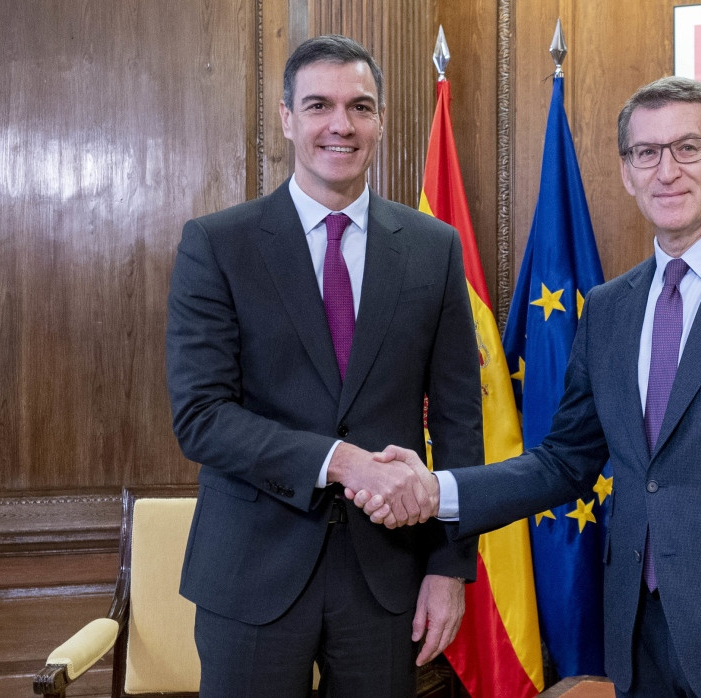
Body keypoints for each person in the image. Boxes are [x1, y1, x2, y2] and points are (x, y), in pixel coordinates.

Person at [357, 76, 701, 698]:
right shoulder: (608, 308)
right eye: (646, 153)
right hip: (633, 631)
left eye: (689, 148)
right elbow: (565, 460)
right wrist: (437, 490)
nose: (667, 171)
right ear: (626, 173)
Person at [165, 34, 482, 698]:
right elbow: (201, 419)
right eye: (318, 105)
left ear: (381, 120)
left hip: (387, 579)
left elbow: (459, 422)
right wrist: (343, 461)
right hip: (251, 572)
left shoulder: (434, 248)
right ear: (286, 118)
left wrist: (449, 569)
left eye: (360, 107)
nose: (341, 124)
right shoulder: (218, 245)